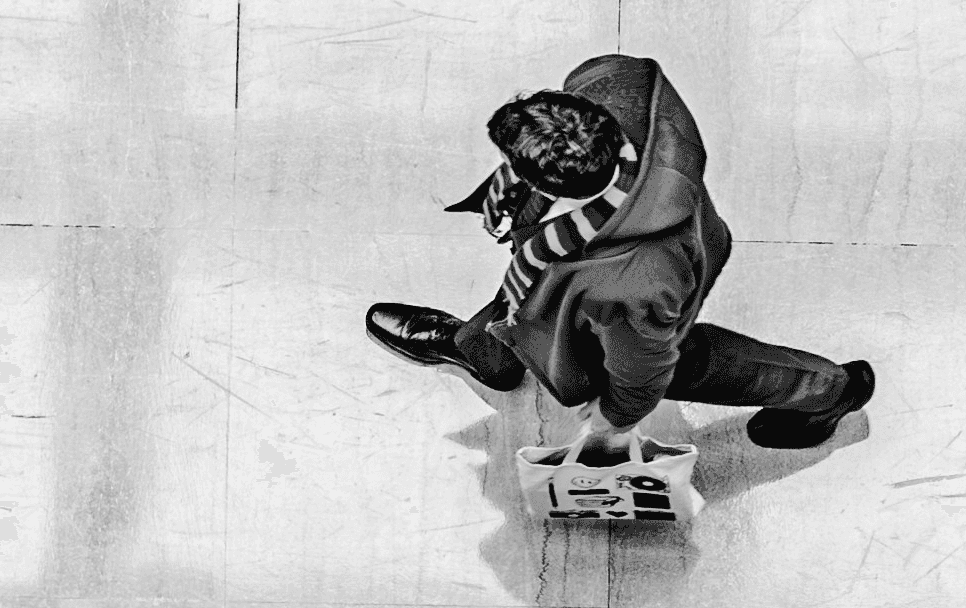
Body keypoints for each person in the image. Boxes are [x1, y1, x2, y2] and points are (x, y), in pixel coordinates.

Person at [365, 56, 875, 461]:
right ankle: (485, 355)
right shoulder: (610, 86)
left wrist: (613, 424)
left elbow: (642, 372)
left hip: (632, 291)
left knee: (683, 361)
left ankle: (830, 391)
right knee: (521, 306)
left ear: (548, 185)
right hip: (573, 271)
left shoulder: (633, 284)